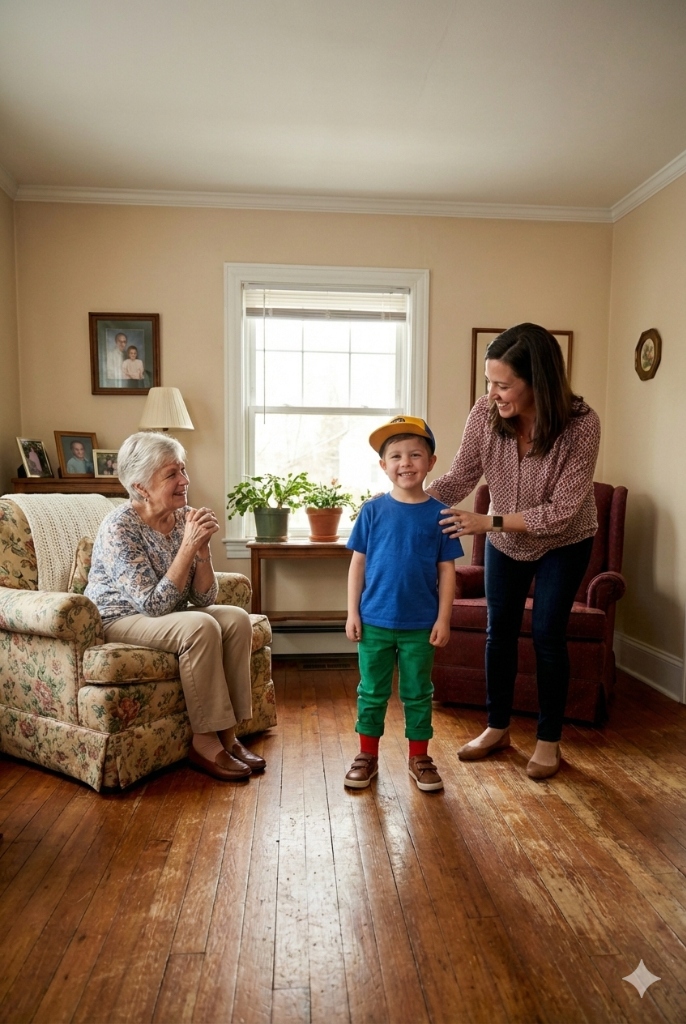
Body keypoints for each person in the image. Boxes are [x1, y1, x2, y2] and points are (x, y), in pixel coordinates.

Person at [427, 323, 600, 780]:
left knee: (547, 634)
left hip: (565, 541)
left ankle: (549, 740)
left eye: (503, 385)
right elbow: (461, 476)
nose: (492, 393)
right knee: (498, 633)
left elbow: (562, 510)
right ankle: (497, 727)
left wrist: (487, 522)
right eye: (489, 381)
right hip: (506, 541)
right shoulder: (486, 414)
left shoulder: (581, 425)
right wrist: (409, 502)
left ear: (537, 381)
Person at [84, 431, 265, 781]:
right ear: (141, 487)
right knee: (201, 627)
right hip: (120, 617)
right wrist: (187, 549)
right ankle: (205, 742)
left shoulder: (183, 517)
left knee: (235, 618)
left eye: (182, 470)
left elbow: (203, 599)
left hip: (168, 614)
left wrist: (203, 551)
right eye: (171, 475)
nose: (184, 481)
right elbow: (153, 606)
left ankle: (230, 734)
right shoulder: (119, 527)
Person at [344, 416, 463, 792]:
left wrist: (444, 618)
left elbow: (447, 572)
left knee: (417, 692)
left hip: (420, 625)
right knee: (372, 692)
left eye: (415, 454)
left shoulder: (441, 515)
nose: (405, 462)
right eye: (395, 455)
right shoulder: (372, 512)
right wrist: (352, 612)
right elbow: (357, 565)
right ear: (383, 465)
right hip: (374, 622)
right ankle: (367, 755)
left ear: (431, 462)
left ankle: (419, 757)